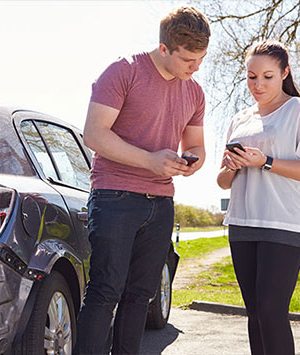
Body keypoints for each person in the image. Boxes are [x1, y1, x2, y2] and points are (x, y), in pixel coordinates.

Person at [74, 6, 210, 355]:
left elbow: (195, 143)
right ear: (164, 48)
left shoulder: (193, 92)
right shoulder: (124, 72)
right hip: (114, 197)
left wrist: (193, 162)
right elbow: (94, 134)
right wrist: (150, 160)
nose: (195, 68)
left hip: (161, 203)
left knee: (140, 296)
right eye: (188, 60)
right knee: (106, 291)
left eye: (201, 59)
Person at [217, 39, 300, 355]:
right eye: (252, 77)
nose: (258, 84)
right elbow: (223, 181)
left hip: (284, 224)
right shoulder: (240, 119)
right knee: (255, 314)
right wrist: (234, 165)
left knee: (270, 310)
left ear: (284, 73)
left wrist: (265, 161)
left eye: (267, 76)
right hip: (241, 223)